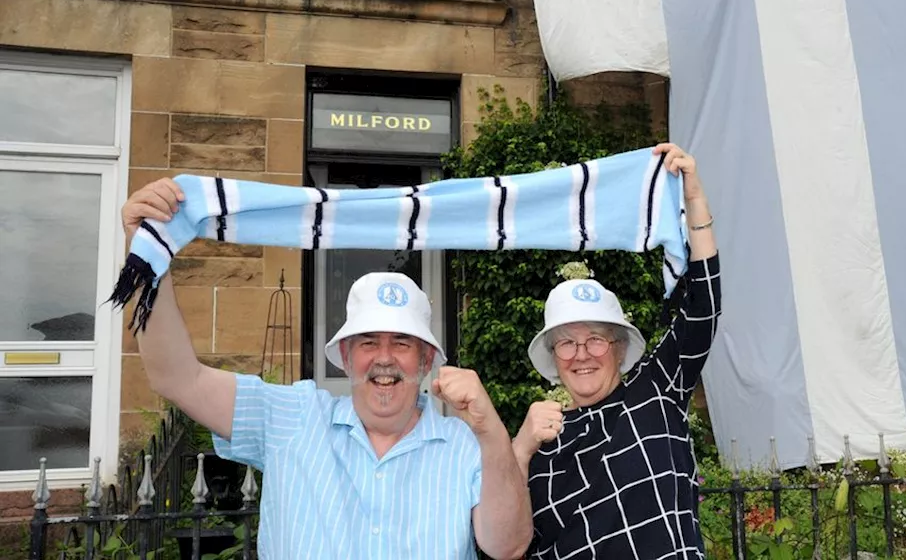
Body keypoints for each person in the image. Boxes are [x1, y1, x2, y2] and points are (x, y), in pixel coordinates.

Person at [120, 180, 533, 559]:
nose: (385, 357)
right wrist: (146, 250)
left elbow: (508, 546)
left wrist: (491, 431)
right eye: (369, 341)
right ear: (348, 358)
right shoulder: (293, 418)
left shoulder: (463, 446)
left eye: (403, 343)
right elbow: (177, 377)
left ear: (426, 361)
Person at [510, 143, 722, 558]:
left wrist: (693, 201)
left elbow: (703, 306)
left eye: (595, 339)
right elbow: (507, 545)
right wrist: (518, 450)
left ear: (620, 347)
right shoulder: (540, 439)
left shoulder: (657, 390)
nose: (581, 354)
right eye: (566, 343)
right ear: (553, 358)